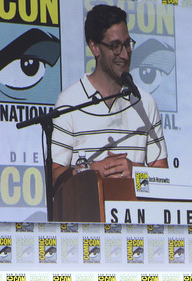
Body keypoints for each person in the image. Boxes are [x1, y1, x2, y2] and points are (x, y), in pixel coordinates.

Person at [51, 4, 167, 188]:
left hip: (133, 206)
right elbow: (55, 176)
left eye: (127, 44)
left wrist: (135, 172)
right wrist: (89, 172)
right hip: (86, 205)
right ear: (94, 47)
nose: (125, 54)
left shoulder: (144, 102)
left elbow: (164, 178)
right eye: (115, 46)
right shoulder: (68, 101)